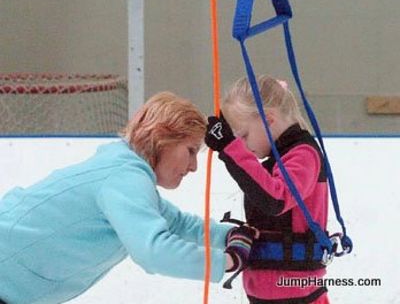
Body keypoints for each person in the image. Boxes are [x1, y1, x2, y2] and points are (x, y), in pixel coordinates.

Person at [0, 91, 255, 304]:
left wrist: (232, 236)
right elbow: (154, 252)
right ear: (162, 138)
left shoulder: (125, 173)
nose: (193, 167)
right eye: (190, 151)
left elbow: (177, 224)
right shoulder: (124, 177)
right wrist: (228, 262)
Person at [205, 76, 330, 304]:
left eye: (243, 136)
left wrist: (229, 147)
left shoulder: (303, 155)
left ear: (268, 119)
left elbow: (276, 199)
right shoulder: (274, 162)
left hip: (298, 295)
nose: (242, 145)